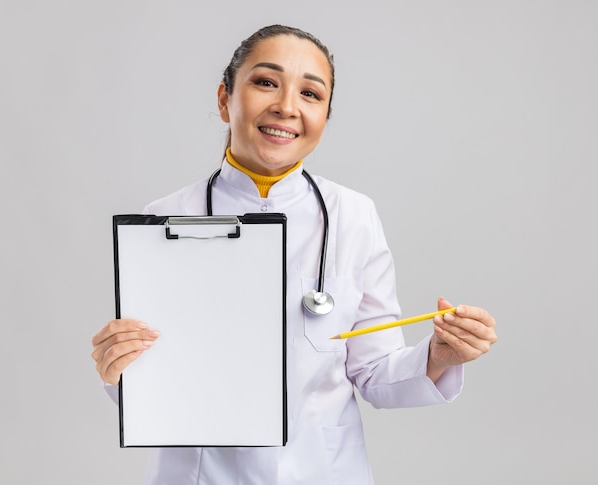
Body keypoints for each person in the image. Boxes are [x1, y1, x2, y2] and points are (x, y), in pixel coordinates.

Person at [91, 24, 497, 484]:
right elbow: (152, 383)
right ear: (225, 98)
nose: (286, 106)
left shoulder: (353, 216)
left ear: (325, 115)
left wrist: (439, 356)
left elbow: (374, 371)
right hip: (198, 474)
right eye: (266, 82)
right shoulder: (165, 218)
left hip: (322, 471)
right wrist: (118, 368)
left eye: (310, 93)